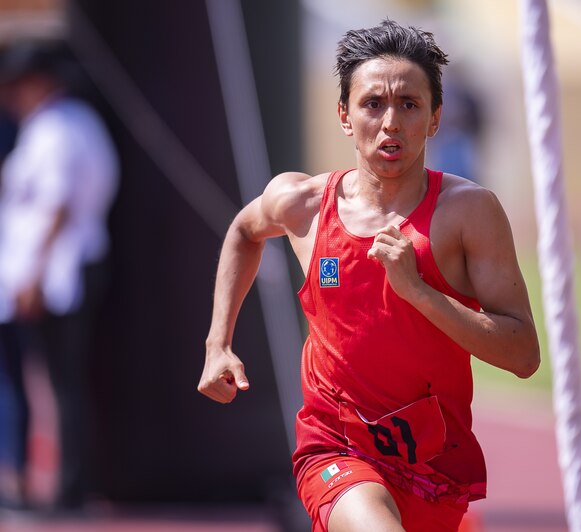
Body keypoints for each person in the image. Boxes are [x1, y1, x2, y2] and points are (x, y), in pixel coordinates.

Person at [198, 20, 540, 532]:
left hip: (432, 466)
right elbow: (245, 232)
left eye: (409, 104)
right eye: (372, 103)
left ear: (435, 118)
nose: (390, 123)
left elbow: (523, 355)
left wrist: (419, 292)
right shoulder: (303, 204)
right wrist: (217, 344)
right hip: (334, 449)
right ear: (344, 114)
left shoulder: (469, 213)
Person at [0, 38, 119, 511]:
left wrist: (32, 274)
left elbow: (56, 206)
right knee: (56, 380)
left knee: (62, 382)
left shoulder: (59, 128)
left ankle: (68, 487)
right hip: (56, 269)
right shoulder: (52, 126)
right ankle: (53, 484)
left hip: (61, 270)